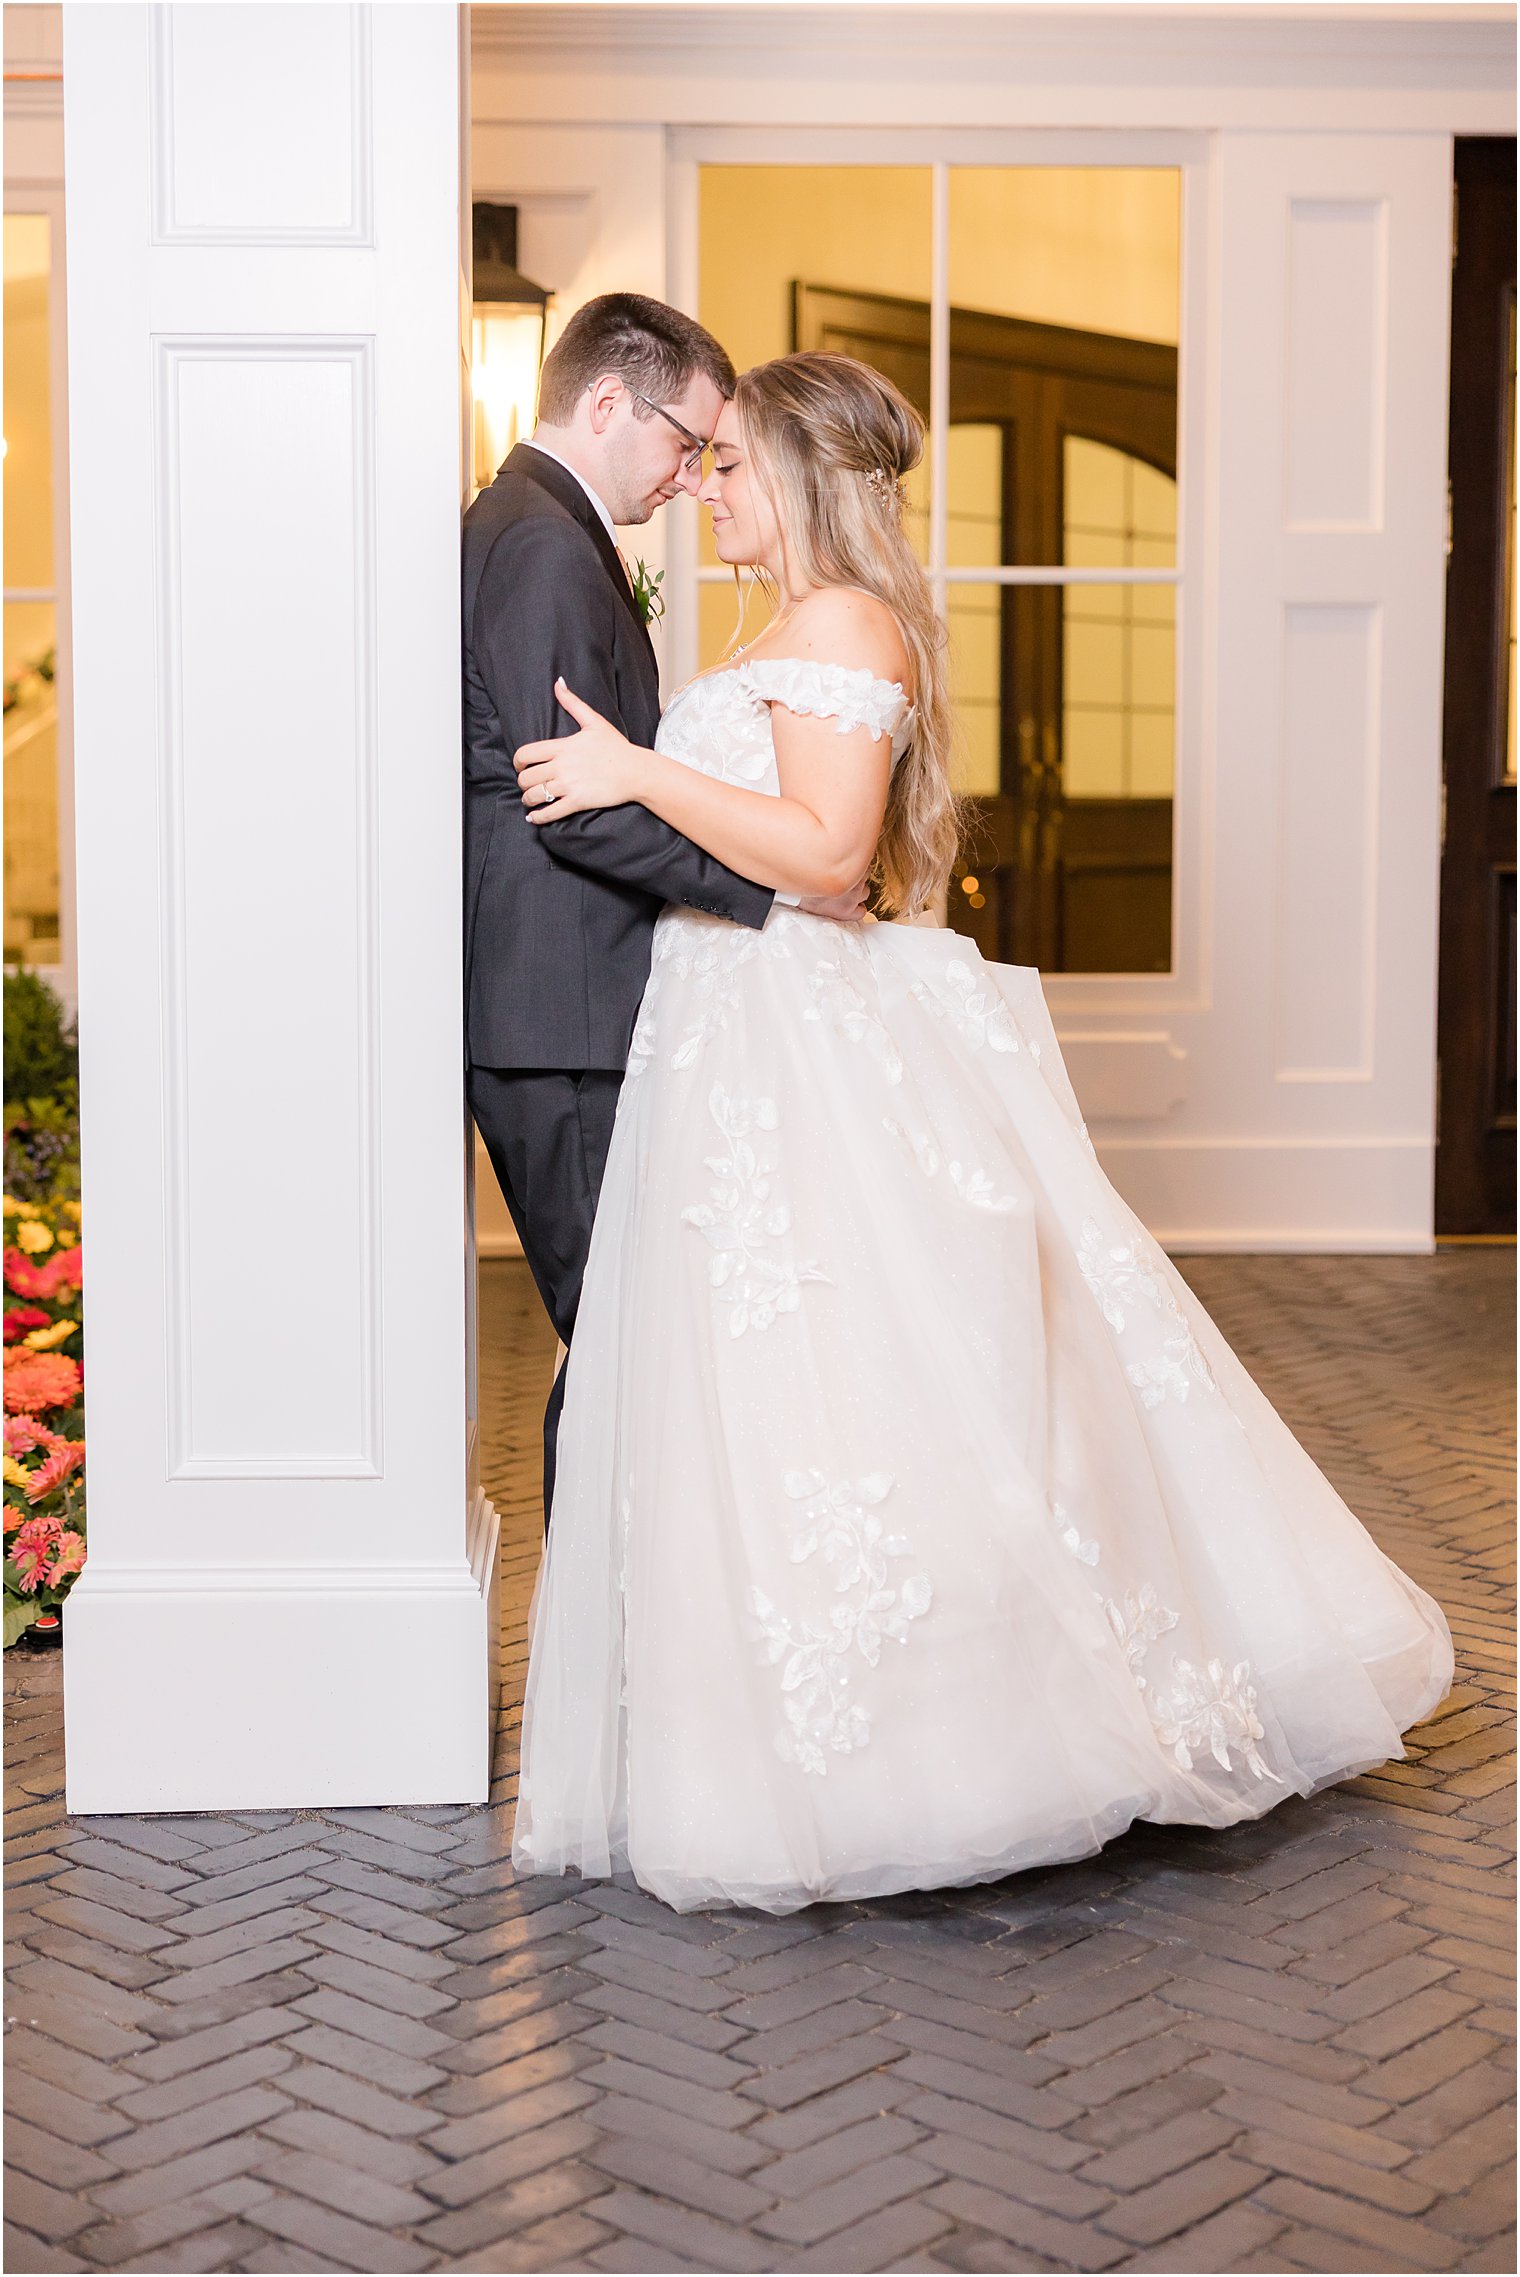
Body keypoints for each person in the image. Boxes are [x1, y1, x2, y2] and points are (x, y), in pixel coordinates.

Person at [507, 350, 1453, 1916]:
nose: (708, 487)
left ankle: (979, 1736)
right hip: (739, 1046)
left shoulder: (846, 624)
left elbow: (825, 856)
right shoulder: (788, 625)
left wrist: (634, 768)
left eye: (731, 465)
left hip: (797, 1037)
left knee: (869, 1371)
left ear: (801, 478)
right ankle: (791, 1739)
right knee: (774, 1388)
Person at [462, 296, 864, 1529]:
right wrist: (775, 893)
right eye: (685, 441)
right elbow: (569, 800)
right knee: (631, 1342)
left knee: (639, 1339)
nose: (691, 476)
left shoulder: (532, 526)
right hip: (562, 1009)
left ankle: (621, 1640)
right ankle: (612, 1640)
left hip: (573, 1000)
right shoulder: (539, 542)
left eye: (713, 455)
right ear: (603, 406)